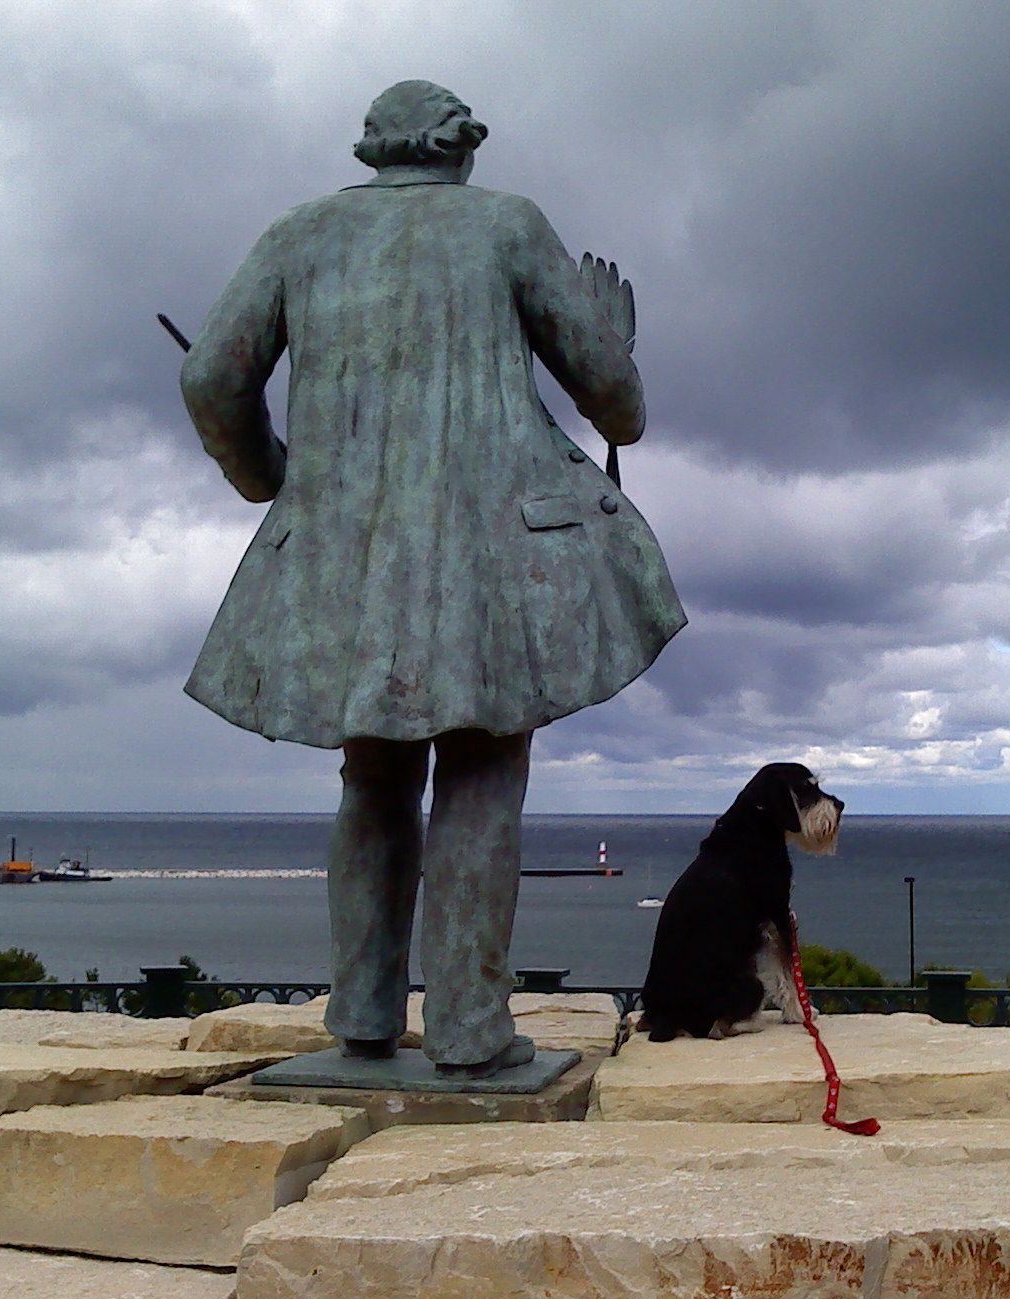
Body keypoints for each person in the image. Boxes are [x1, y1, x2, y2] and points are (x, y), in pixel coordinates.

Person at [180, 81, 684, 1076]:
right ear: (461, 149)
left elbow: (208, 377)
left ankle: (361, 1016)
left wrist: (267, 479)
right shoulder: (504, 225)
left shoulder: (298, 234)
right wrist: (613, 345)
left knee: (370, 774)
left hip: (340, 555)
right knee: (484, 767)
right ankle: (465, 1025)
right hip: (492, 551)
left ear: (372, 150)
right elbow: (616, 410)